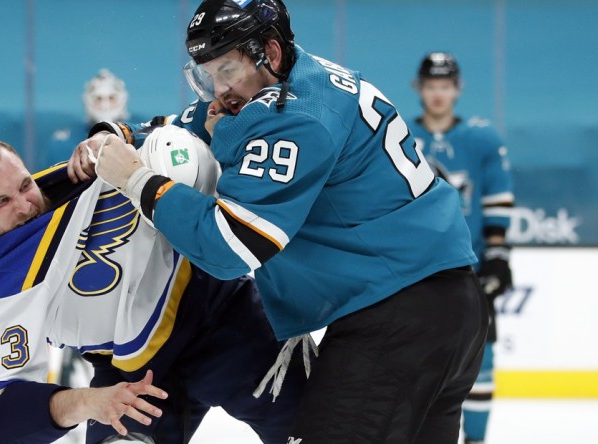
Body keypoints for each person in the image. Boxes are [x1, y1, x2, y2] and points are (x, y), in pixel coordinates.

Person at [72, 0, 490, 442]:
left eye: (226, 70)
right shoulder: (296, 79)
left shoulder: (297, 117)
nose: (218, 90)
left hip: (397, 320)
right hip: (445, 307)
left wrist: (138, 181)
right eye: (206, 74)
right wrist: (115, 134)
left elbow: (231, 244)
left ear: (268, 52)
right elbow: (180, 127)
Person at [0, 130, 306, 444]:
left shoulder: (86, 171)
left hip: (225, 321)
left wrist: (116, 134)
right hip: (132, 378)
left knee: (321, 431)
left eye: (25, 185)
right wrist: (90, 402)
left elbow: (168, 135)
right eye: (1, 202)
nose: (25, 205)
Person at [408, 52, 514, 444]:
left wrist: (498, 253)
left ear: (459, 88)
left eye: (446, 86)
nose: (438, 94)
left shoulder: (483, 138)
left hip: (469, 266)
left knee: (481, 355)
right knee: (416, 356)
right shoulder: (400, 134)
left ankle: (476, 440)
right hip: (417, 267)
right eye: (431, 85)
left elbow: (498, 199)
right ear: (419, 88)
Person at [46, 69, 132, 165]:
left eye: (111, 98)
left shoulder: (138, 134)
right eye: (98, 99)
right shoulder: (63, 142)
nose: (105, 106)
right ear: (87, 101)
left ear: (122, 99)